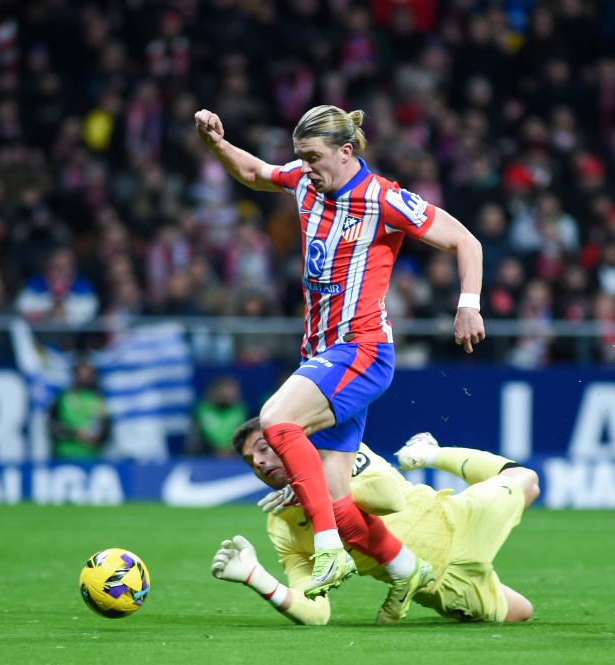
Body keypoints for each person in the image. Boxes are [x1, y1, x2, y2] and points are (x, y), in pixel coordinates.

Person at [194, 104, 485, 621]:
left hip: (361, 348)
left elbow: (466, 240)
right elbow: (255, 172)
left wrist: (468, 304)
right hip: (321, 352)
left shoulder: (383, 198)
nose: (304, 166)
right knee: (333, 499)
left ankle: (329, 549)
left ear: (346, 151)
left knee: (276, 420)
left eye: (313, 156)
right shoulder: (303, 183)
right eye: (300, 156)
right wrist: (217, 143)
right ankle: (407, 569)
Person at [211, 421, 537, 625]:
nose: (259, 462)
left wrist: (310, 490)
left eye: (264, 449)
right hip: (439, 585)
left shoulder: (338, 455)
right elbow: (316, 613)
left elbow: (389, 499)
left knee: (526, 480)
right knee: (522, 612)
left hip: (456, 518)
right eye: (251, 461)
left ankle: (428, 453)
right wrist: (257, 578)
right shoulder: (281, 524)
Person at [49, 357, 111, 460]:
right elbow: (52, 427)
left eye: (87, 372)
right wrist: (75, 434)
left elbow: (106, 431)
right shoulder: (63, 398)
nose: (84, 375)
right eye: (81, 372)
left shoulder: (98, 400)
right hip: (64, 457)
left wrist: (96, 439)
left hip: (92, 458)